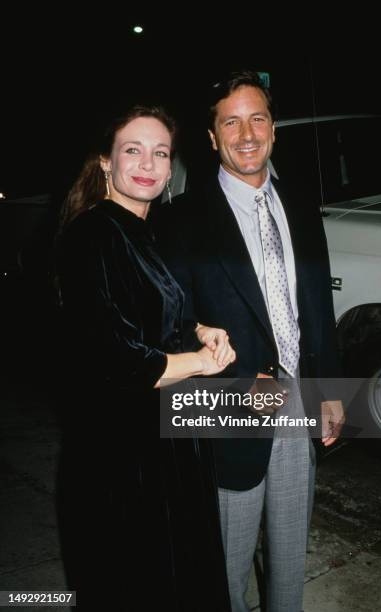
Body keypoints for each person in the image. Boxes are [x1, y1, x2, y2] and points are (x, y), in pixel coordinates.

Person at [155, 72, 345, 612]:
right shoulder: (181, 220)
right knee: (223, 570)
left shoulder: (302, 206)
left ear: (273, 129)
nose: (246, 133)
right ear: (212, 137)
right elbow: (170, 325)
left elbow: (316, 307)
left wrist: (329, 390)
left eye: (257, 118)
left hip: (296, 402)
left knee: (290, 560)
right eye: (230, 121)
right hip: (225, 411)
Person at [55, 104, 235, 611]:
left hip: (164, 440)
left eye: (161, 153)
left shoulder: (143, 228)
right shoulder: (93, 234)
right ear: (105, 163)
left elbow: (148, 309)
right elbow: (117, 358)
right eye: (132, 149)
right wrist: (201, 361)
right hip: (124, 454)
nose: (148, 163)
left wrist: (199, 328)